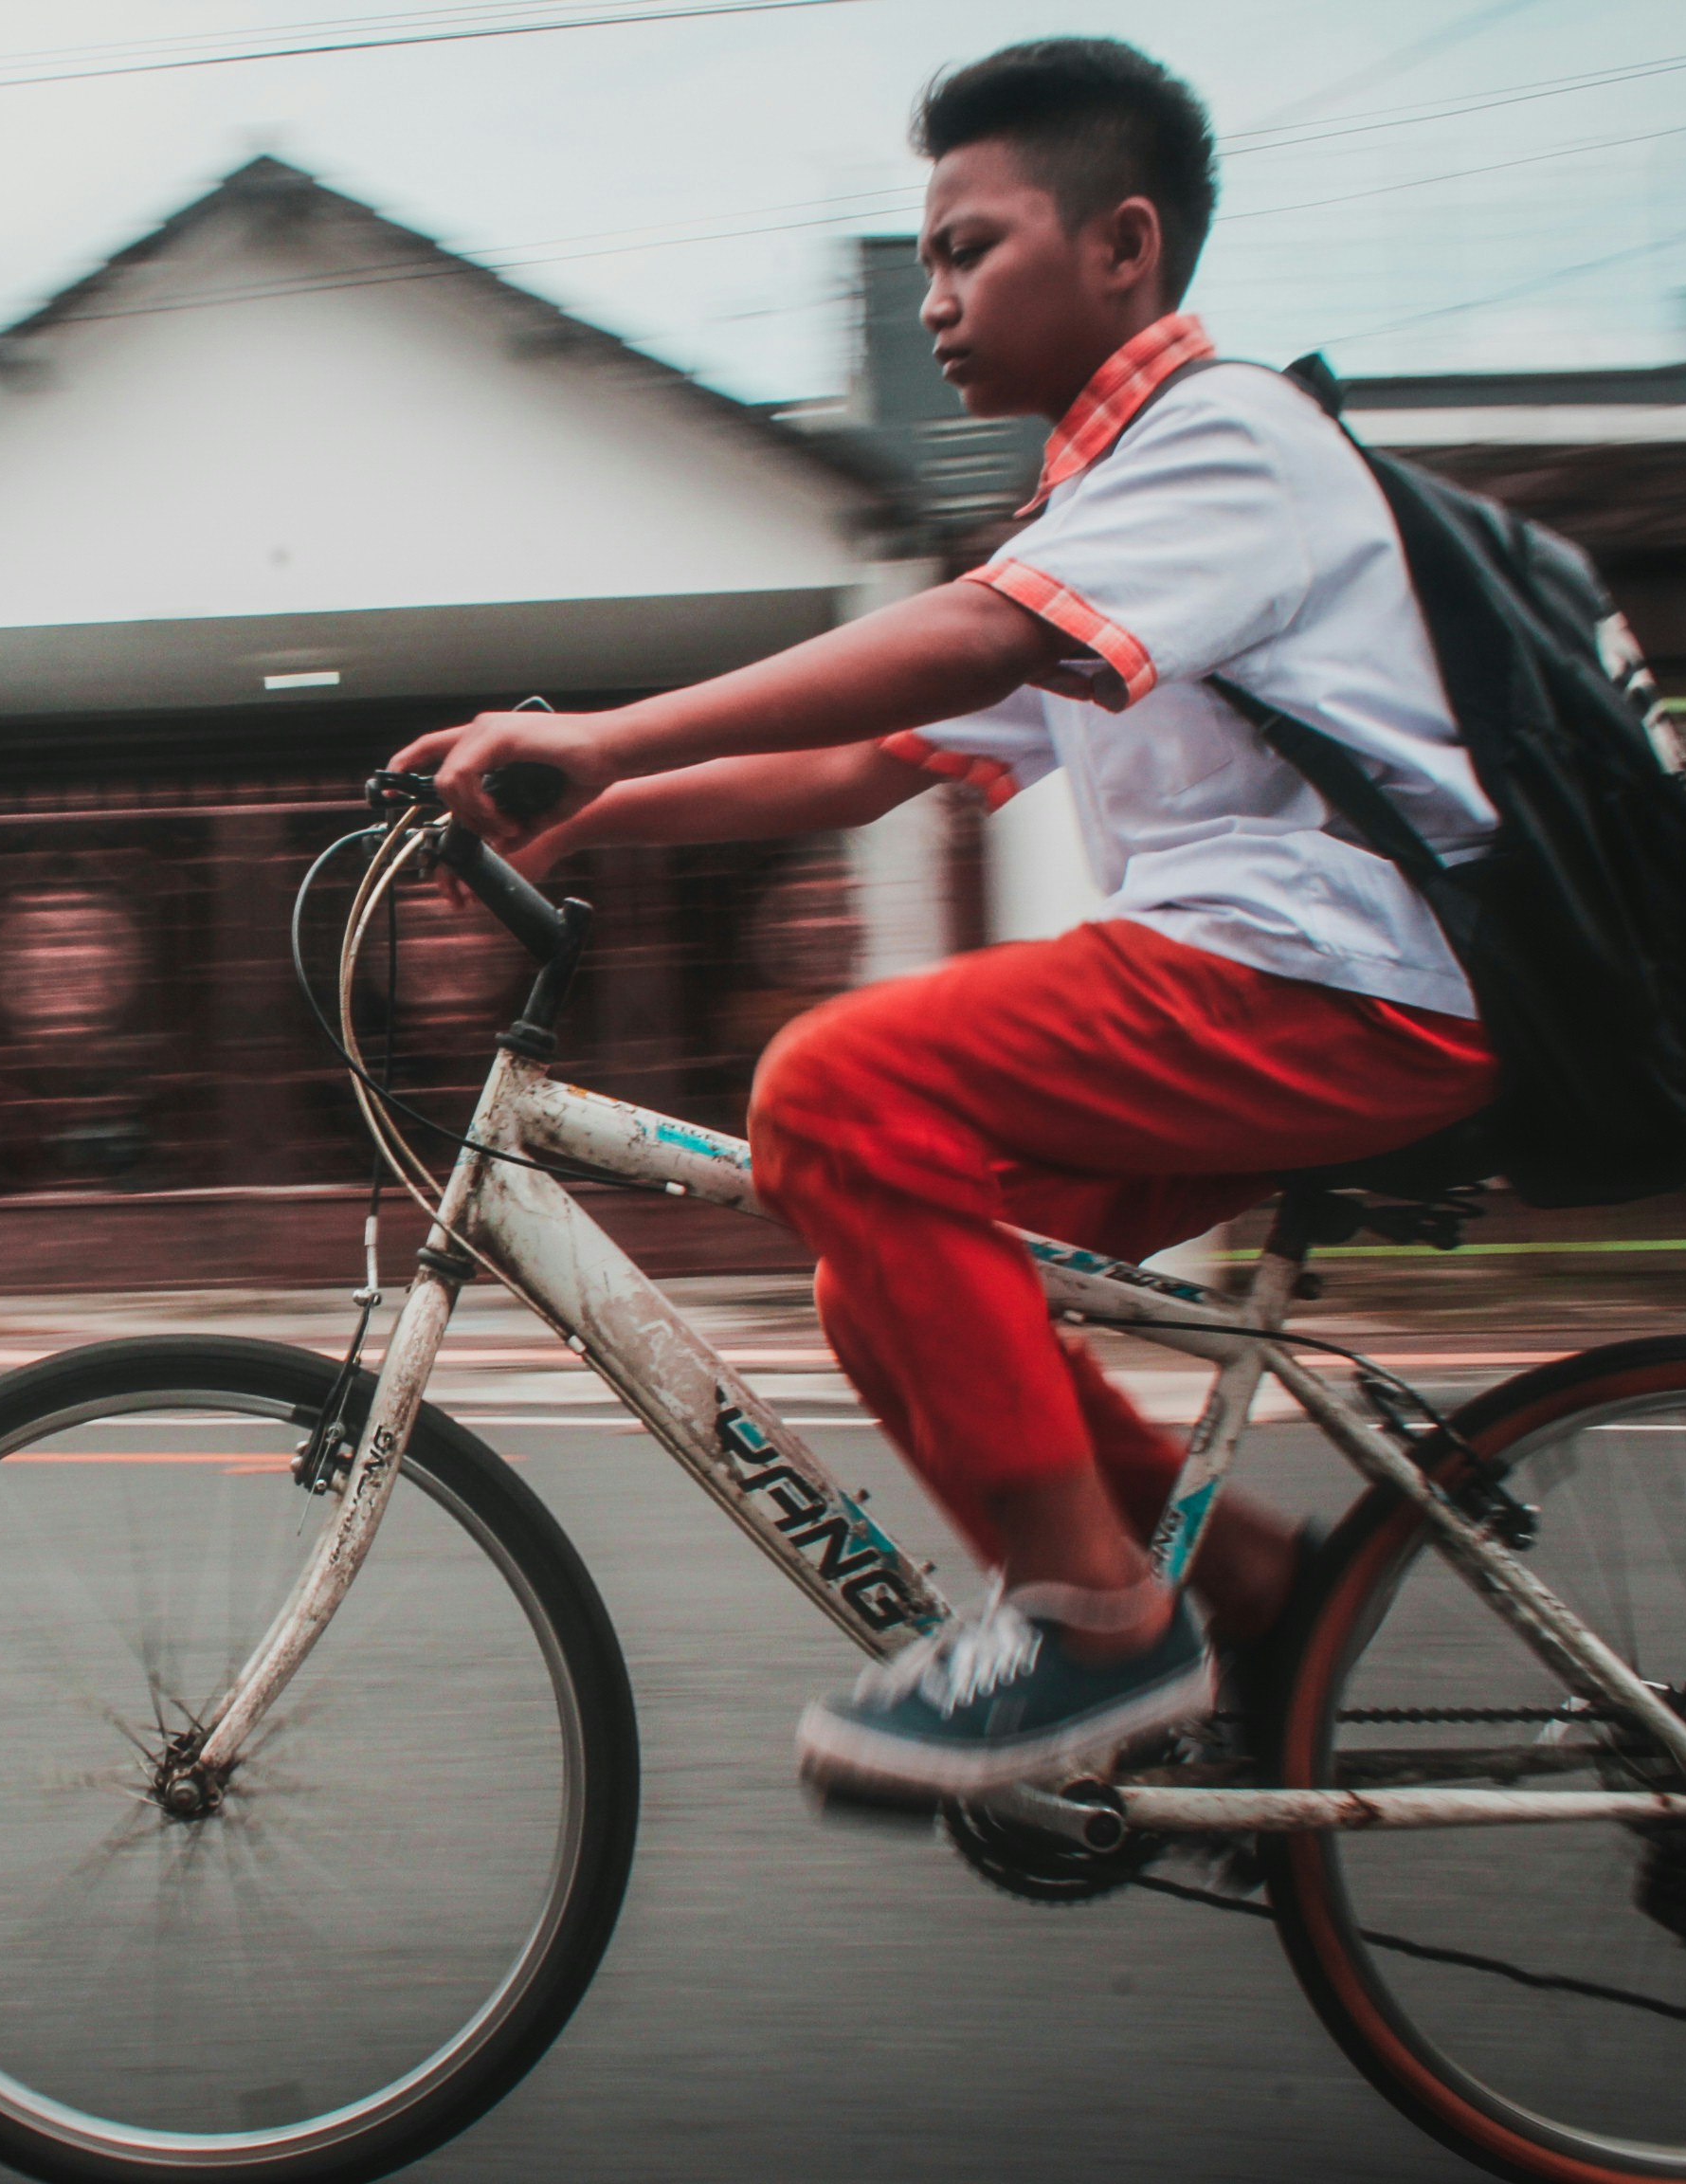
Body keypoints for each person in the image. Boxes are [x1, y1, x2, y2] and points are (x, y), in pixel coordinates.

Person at [389, 37, 1498, 1804]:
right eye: (925, 259)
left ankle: (1093, 1621)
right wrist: (570, 799)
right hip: (1260, 993)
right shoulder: (1104, 505)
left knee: (831, 1092)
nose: (932, 299)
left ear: (1122, 247)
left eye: (967, 249)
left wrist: (599, 733)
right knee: (879, 1265)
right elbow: (860, 761)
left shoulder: (1229, 444)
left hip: (1338, 987)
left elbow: (977, 637)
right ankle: (1249, 1595)